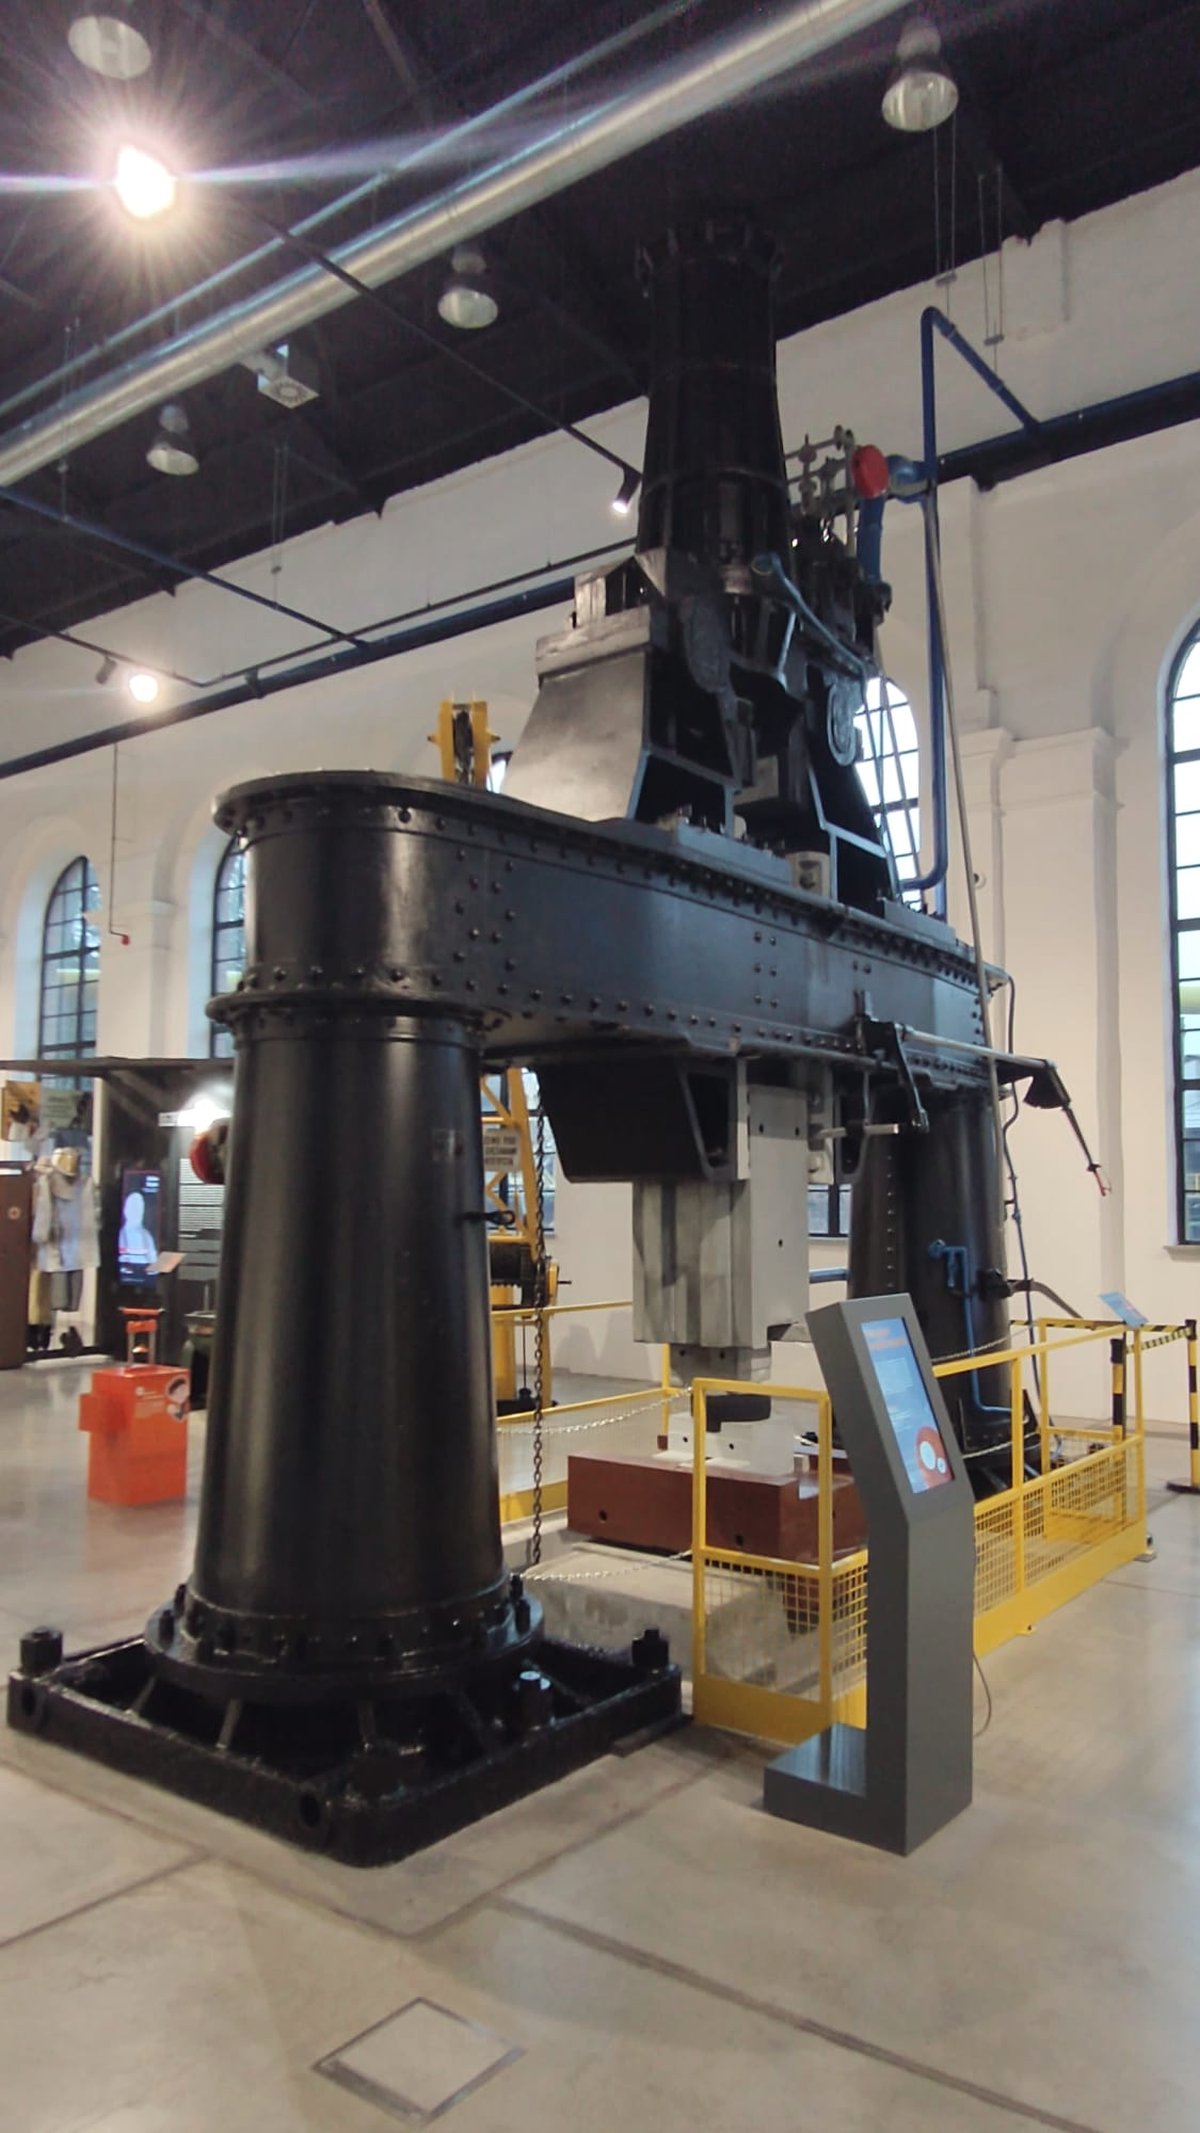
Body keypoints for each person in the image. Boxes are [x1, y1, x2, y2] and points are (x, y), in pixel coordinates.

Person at [119, 1190, 157, 1272]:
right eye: (134, 1208)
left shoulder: (146, 1236)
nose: (138, 1212)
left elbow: (154, 1261)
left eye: (140, 1208)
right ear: (126, 1210)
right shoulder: (121, 1234)